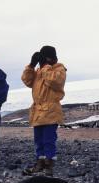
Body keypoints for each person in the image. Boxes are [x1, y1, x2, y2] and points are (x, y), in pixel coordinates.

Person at [21, 46, 67, 176]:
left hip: (51, 111)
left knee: (49, 139)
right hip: (38, 112)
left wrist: (45, 66)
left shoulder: (59, 69)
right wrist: (31, 65)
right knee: (39, 140)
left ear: (51, 58)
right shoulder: (40, 70)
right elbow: (27, 80)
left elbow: (55, 81)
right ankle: (40, 163)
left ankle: (49, 165)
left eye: (45, 58)